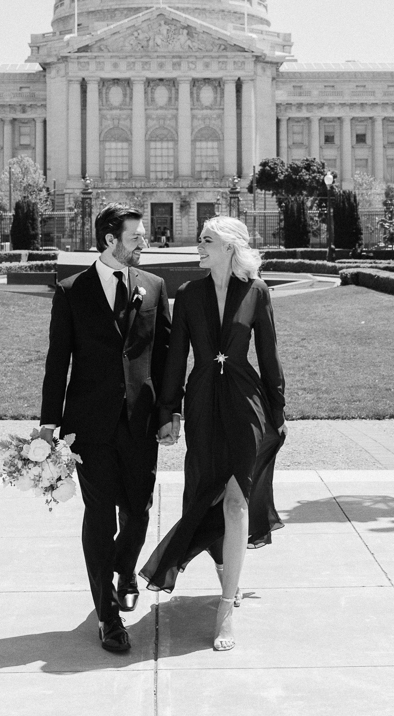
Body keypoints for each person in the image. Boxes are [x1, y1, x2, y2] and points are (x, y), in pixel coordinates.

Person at [139, 215, 286, 651]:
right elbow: (175, 359)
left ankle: (225, 608)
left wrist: (277, 411)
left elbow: (270, 355)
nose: (199, 245)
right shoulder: (188, 294)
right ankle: (228, 571)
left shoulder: (256, 292)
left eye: (206, 240)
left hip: (245, 402)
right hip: (203, 401)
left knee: (238, 499)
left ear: (228, 246)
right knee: (206, 492)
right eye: (201, 240)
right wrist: (170, 410)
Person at [39, 205, 171, 654]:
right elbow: (58, 361)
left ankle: (124, 569)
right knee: (99, 516)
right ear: (110, 239)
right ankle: (108, 616)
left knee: (138, 512)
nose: (143, 242)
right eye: (135, 236)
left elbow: (167, 358)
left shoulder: (154, 287)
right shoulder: (71, 291)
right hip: (89, 427)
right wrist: (47, 423)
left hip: (141, 420)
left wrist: (172, 411)